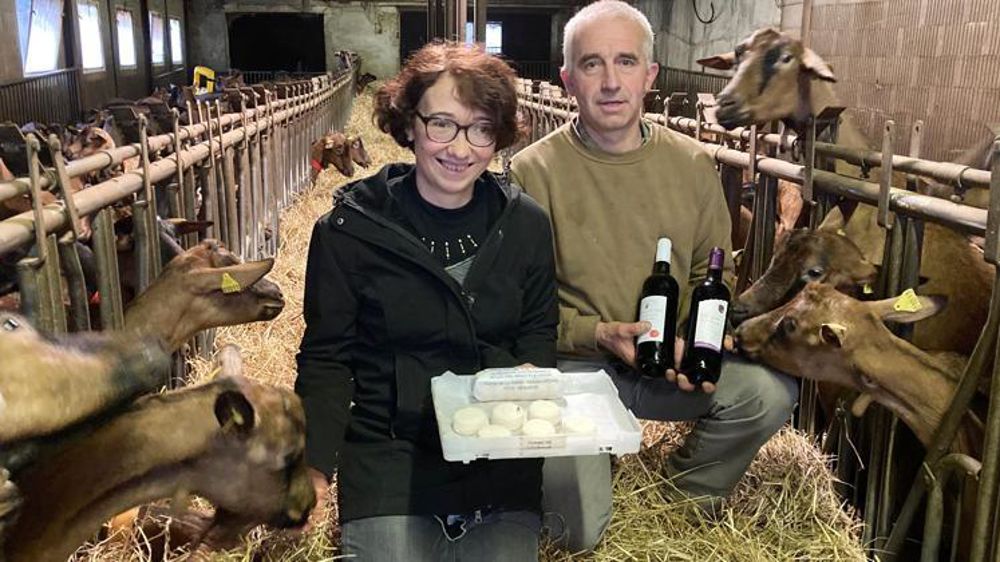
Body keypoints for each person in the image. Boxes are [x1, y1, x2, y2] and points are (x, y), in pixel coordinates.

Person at [510, 0, 799, 553]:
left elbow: (713, 270)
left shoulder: (692, 165)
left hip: (664, 359)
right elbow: (523, 306)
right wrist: (596, 334)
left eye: (626, 61)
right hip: (577, 368)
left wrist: (693, 340)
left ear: (651, 75)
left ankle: (680, 498)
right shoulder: (532, 172)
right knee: (579, 533)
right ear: (568, 80)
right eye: (592, 64)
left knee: (767, 392)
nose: (611, 81)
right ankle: (586, 477)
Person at [295, 41, 558, 561]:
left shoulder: (525, 224)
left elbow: (537, 331)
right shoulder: (350, 231)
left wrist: (528, 388)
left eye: (481, 128)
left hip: (496, 453)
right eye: (442, 123)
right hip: (391, 454)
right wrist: (314, 466)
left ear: (499, 136)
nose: (460, 148)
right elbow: (328, 358)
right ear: (409, 123)